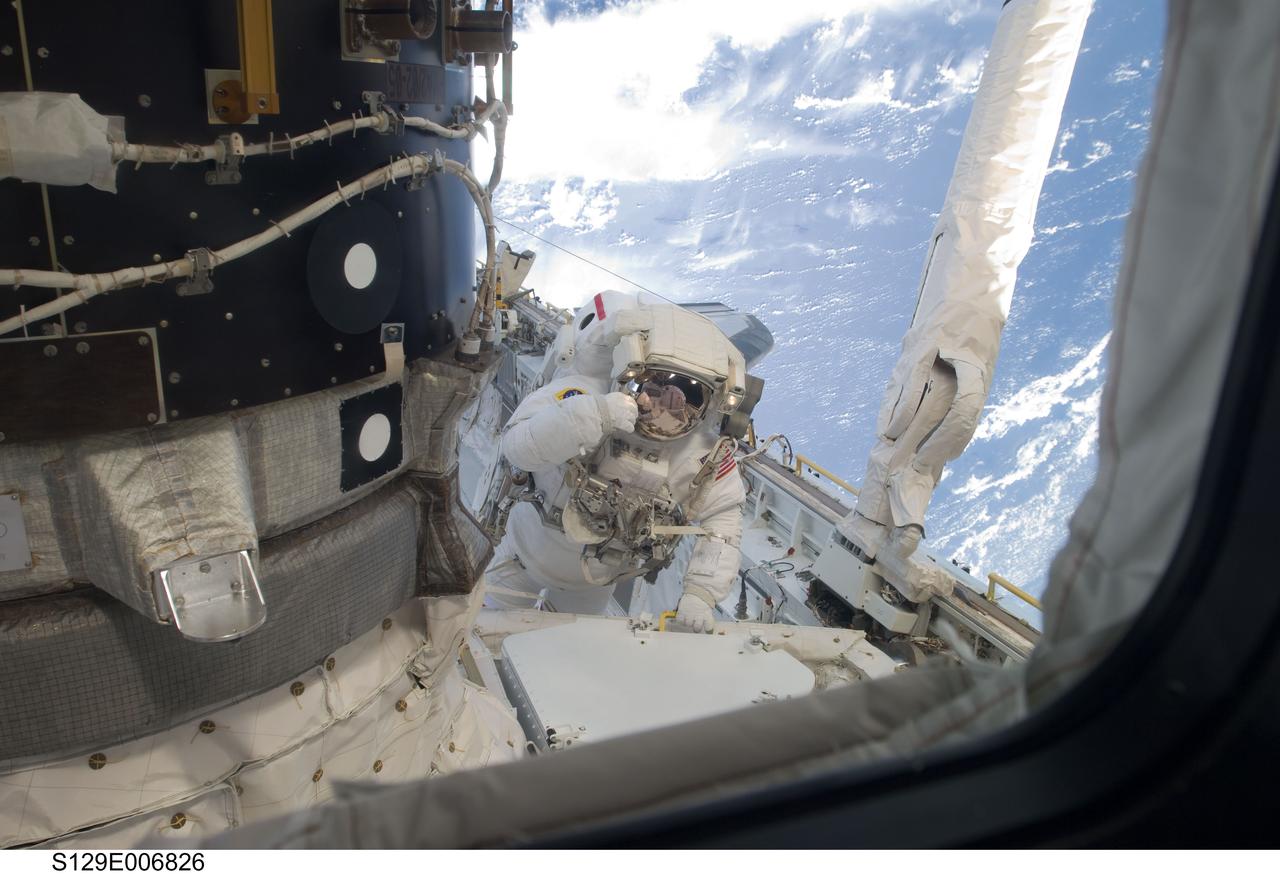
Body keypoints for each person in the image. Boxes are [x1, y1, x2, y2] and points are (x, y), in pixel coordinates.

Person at [485, 291, 754, 632]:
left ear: (710, 406)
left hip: (590, 585)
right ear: (631, 369)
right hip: (521, 560)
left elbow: (724, 522)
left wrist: (701, 592)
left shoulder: (701, 454)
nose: (666, 408)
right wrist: (591, 416)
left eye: (686, 399)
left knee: (566, 654)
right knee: (491, 635)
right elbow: (518, 447)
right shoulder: (581, 395)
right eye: (657, 387)